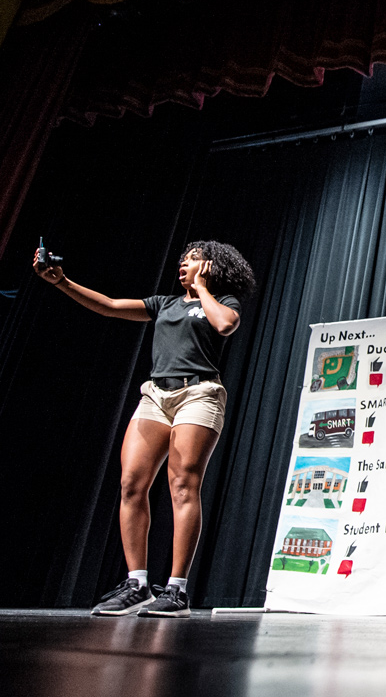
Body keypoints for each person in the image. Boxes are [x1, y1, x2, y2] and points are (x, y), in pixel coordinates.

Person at [34, 240, 255, 617]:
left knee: (183, 484)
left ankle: (177, 590)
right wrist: (61, 282)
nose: (184, 264)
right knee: (131, 483)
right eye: (183, 260)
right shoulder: (163, 304)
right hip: (155, 395)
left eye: (193, 260)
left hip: (198, 393)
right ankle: (137, 583)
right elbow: (109, 307)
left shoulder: (224, 302)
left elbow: (225, 325)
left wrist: (202, 290)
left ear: (212, 267)